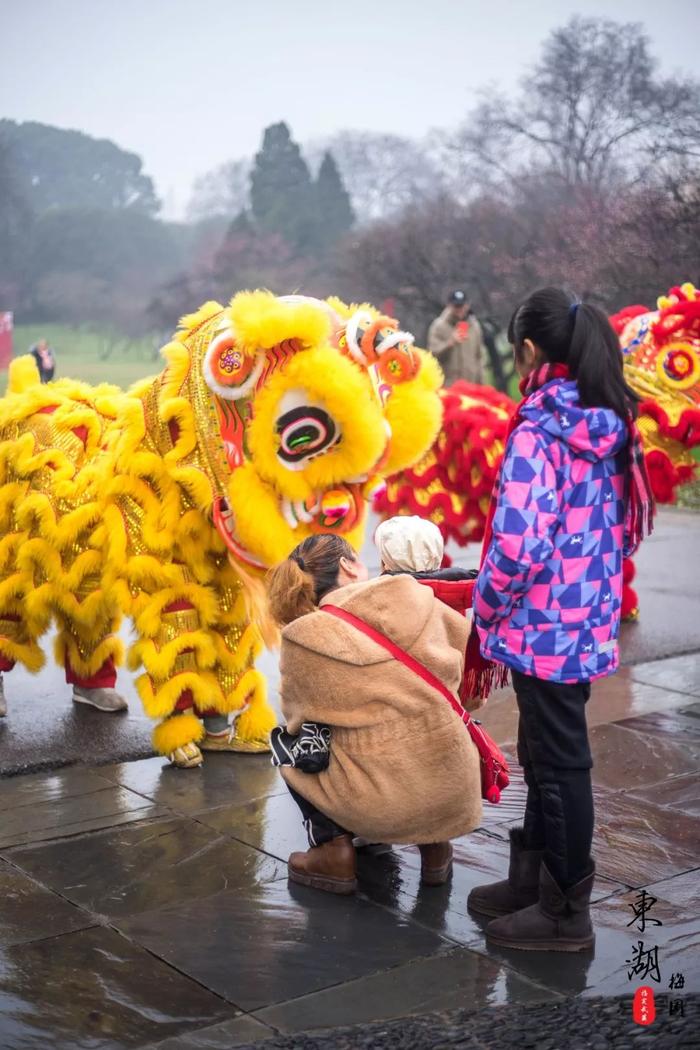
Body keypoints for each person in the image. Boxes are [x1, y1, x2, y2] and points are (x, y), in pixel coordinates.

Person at [468, 287, 654, 951]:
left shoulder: (543, 427)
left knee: (559, 761)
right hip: (582, 619)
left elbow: (517, 542)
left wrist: (483, 613)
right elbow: (618, 528)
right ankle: (534, 882)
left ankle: (565, 909)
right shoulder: (605, 421)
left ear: (528, 349)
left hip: (541, 624)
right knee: (545, 756)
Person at [266, 532, 482, 895]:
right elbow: (469, 694)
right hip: (452, 788)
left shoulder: (302, 636)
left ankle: (333, 851)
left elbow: (298, 721)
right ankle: (436, 850)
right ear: (349, 566)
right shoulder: (421, 596)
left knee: (287, 742)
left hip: (376, 804)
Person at [427, 290, 484, 387]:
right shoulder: (438, 326)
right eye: (456, 306)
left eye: (462, 306)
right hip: (448, 385)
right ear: (449, 306)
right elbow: (432, 354)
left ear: (467, 305)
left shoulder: (475, 326)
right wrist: (450, 343)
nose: (459, 309)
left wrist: (480, 383)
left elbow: (479, 356)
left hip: (470, 385)